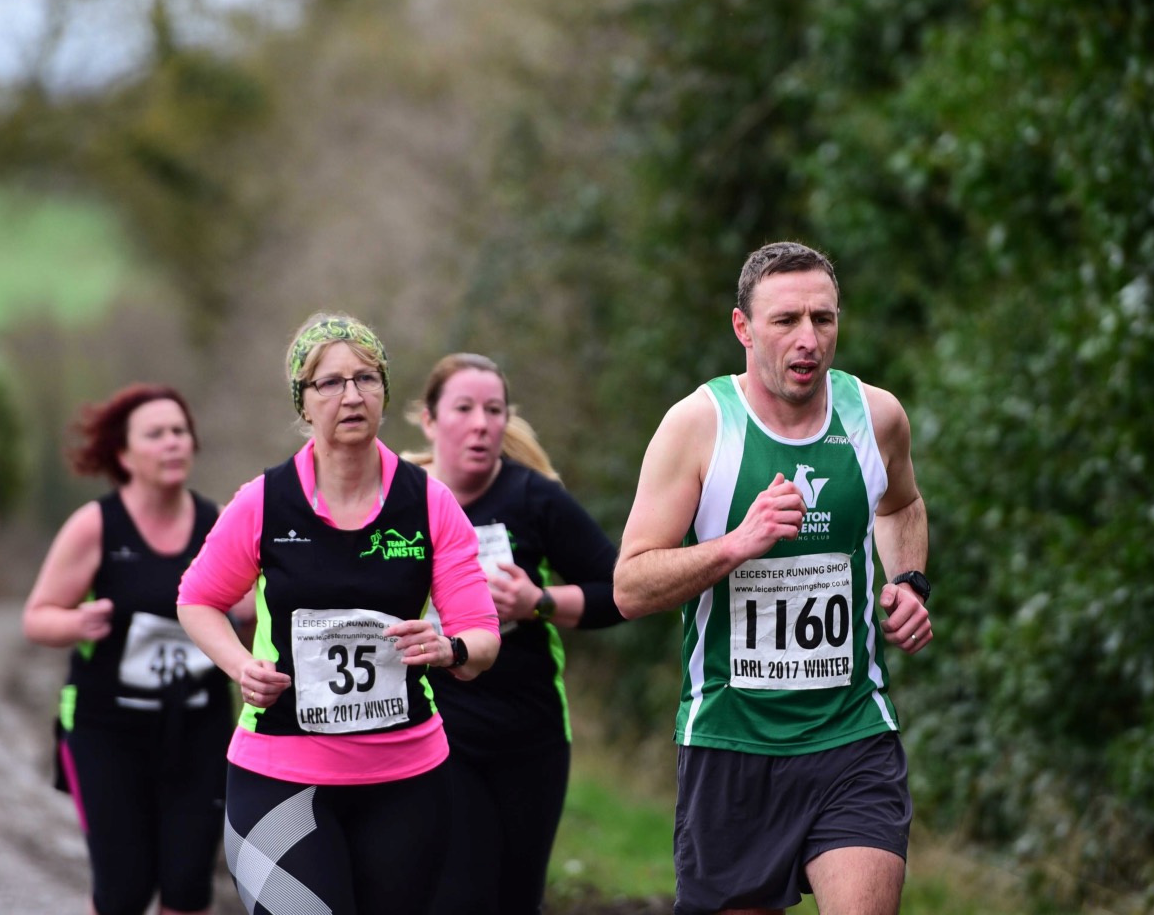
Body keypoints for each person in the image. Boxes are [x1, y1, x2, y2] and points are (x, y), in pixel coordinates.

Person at [613, 242, 934, 915]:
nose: (808, 339)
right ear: (744, 328)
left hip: (851, 734)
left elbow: (900, 505)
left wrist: (908, 580)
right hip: (732, 743)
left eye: (823, 318)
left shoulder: (875, 417)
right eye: (786, 320)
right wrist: (736, 544)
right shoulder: (698, 427)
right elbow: (631, 585)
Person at [177, 312, 501, 915]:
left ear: (384, 391)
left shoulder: (430, 503)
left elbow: (481, 636)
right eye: (329, 382)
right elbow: (198, 600)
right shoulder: (263, 502)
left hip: (407, 780)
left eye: (367, 378)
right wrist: (240, 666)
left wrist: (449, 648)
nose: (351, 396)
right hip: (280, 774)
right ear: (303, 402)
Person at [407, 353, 628, 915]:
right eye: (464, 409)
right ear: (430, 420)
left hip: (529, 734)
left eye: (494, 410)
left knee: (516, 900)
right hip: (435, 728)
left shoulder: (534, 498)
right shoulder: (401, 501)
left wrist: (539, 602)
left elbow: (621, 592)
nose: (481, 424)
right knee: (461, 896)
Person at [22, 384, 232, 915]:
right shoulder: (96, 526)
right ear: (123, 454)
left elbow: (251, 606)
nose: (172, 443)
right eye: (155, 434)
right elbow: (37, 617)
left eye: (180, 431)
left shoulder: (218, 525)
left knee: (188, 888)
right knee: (124, 892)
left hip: (198, 728)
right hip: (107, 731)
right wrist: (76, 622)